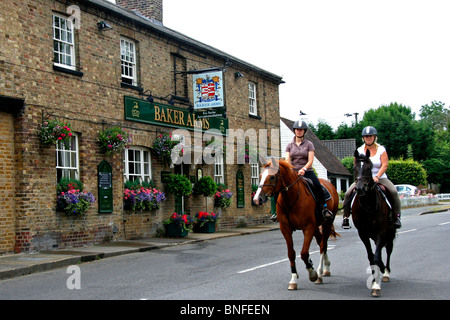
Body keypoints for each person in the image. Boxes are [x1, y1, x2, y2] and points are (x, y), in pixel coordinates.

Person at [342, 126, 402, 229]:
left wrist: (378, 176)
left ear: (374, 137)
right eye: (366, 136)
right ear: (363, 138)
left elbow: (384, 165)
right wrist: (358, 179)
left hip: (380, 177)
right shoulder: (359, 150)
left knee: (393, 192)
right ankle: (346, 217)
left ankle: (396, 216)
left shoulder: (381, 149)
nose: (368, 138)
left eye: (370, 136)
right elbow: (356, 166)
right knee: (348, 193)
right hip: (363, 179)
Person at [281, 120, 333, 222]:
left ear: (304, 131)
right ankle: (279, 211)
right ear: (294, 131)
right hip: (293, 172)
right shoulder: (289, 146)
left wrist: (304, 169)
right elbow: (287, 160)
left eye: (301, 130)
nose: (299, 131)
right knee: (280, 186)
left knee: (317, 185)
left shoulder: (309, 144)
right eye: (297, 130)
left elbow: (310, 160)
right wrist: (290, 169)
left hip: (307, 171)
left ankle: (324, 208)